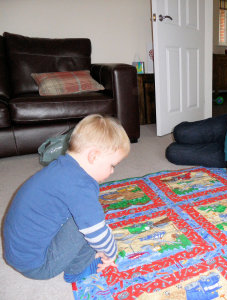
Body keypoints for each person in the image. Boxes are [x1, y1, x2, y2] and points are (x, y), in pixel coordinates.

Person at [3, 114, 131, 283]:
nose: (112, 171)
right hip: (37, 265)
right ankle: (76, 271)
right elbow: (97, 232)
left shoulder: (61, 167)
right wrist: (111, 252)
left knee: (82, 214)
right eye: (112, 165)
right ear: (93, 156)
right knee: (87, 223)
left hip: (17, 254)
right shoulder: (80, 186)